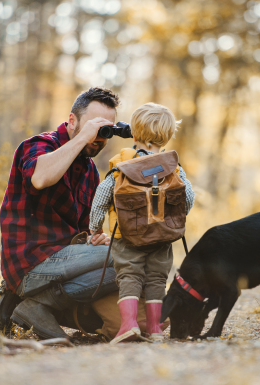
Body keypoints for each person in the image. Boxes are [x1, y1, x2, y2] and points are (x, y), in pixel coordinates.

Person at [0, 87, 123, 339]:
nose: (98, 137)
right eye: (92, 127)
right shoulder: (38, 145)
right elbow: (40, 178)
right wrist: (82, 138)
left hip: (62, 264)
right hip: (29, 263)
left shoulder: (89, 172)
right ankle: (21, 301)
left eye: (105, 130)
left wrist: (97, 240)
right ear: (72, 121)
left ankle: (37, 307)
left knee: (130, 261)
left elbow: (84, 231)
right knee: (125, 256)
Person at [89, 103, 195, 343]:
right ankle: (155, 329)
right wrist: (170, 219)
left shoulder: (122, 166)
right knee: (157, 279)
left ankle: (128, 325)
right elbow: (187, 199)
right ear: (168, 136)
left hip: (127, 236)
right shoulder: (173, 168)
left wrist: (95, 228)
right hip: (162, 236)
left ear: (134, 134)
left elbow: (101, 198)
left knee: (129, 277)